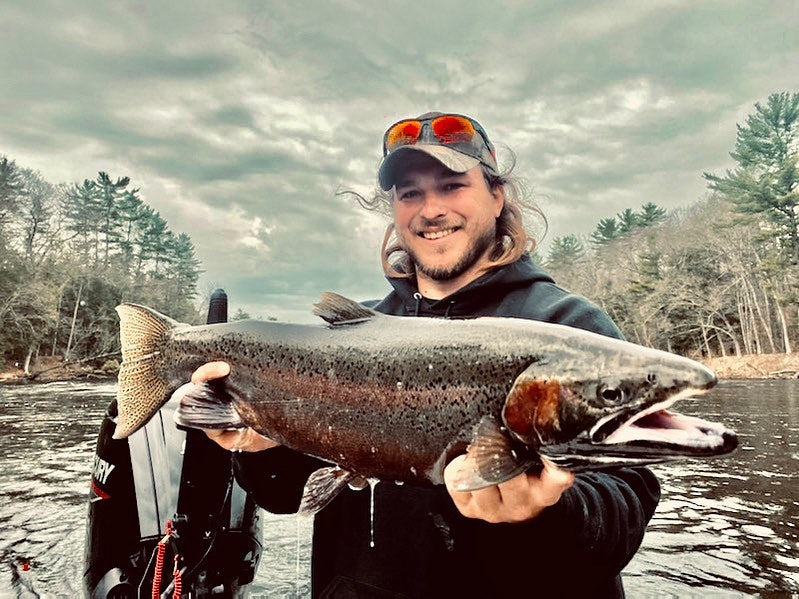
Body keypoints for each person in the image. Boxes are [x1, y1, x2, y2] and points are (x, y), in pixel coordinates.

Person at [194, 112, 660, 598]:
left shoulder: (568, 328)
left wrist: (548, 512)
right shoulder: (350, 336)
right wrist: (255, 442)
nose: (430, 209)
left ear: (497, 196)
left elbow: (625, 509)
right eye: (410, 193)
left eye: (453, 185)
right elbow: (286, 495)